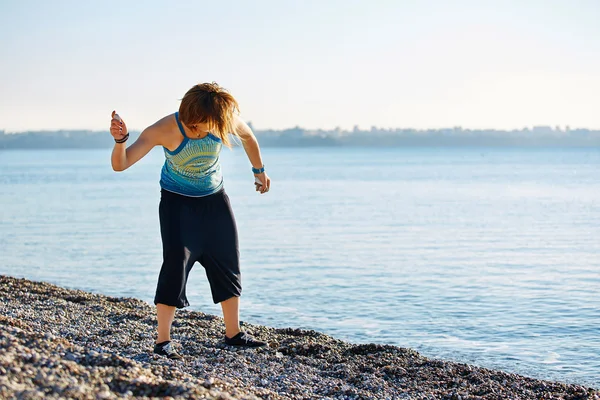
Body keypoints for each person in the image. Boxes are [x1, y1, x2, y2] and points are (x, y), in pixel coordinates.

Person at [109, 82, 271, 359]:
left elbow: (248, 138)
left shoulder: (222, 120)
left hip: (215, 200)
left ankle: (233, 333)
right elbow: (120, 164)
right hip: (177, 204)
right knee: (175, 264)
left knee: (227, 261)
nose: (202, 128)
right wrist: (120, 143)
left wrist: (259, 171)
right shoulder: (163, 129)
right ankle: (162, 341)